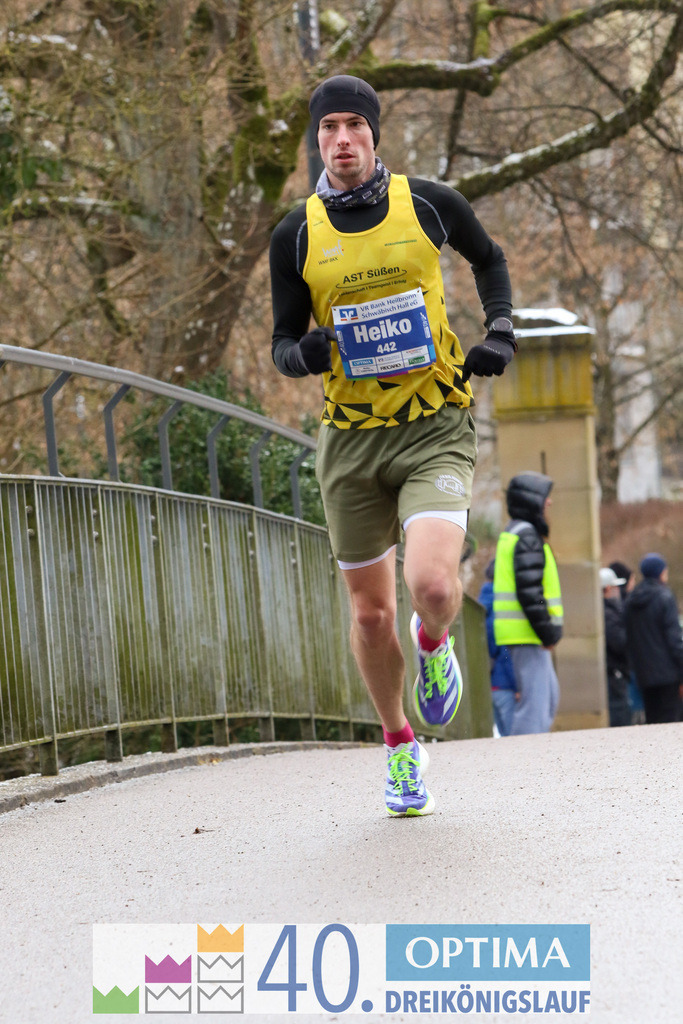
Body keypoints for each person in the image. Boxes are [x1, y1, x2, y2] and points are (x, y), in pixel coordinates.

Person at [269, 75, 516, 816]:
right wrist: (304, 356)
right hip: (350, 445)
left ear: (374, 134)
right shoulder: (296, 233)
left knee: (434, 588)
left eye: (353, 125)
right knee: (371, 617)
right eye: (328, 129)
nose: (341, 140)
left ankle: (435, 645)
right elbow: (282, 343)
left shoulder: (429, 202)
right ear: (317, 142)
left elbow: (489, 258)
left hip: (434, 424)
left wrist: (499, 329)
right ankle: (399, 745)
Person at [491, 472, 562, 734]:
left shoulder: (517, 533)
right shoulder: (527, 537)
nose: (550, 503)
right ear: (532, 502)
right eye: (545, 498)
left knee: (548, 700)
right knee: (535, 709)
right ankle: (525, 766)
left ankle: (527, 761)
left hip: (525, 633)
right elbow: (530, 592)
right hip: (529, 633)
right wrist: (548, 632)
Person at [624, 553, 683, 724]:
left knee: (653, 720)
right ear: (661, 572)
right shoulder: (665, 597)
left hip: (643, 673)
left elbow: (629, 638)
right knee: (670, 721)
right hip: (668, 674)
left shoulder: (631, 600)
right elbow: (674, 640)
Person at [478, 560, 518, 736]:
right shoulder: (503, 606)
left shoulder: (480, 606)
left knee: (504, 737)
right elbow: (505, 652)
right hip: (506, 685)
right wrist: (518, 687)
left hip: (489, 686)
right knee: (516, 738)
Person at [600, 566, 631, 727]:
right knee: (620, 715)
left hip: (616, 672)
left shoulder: (609, 611)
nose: (618, 591)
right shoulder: (608, 613)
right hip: (615, 673)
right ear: (607, 589)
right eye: (615, 587)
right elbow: (620, 643)